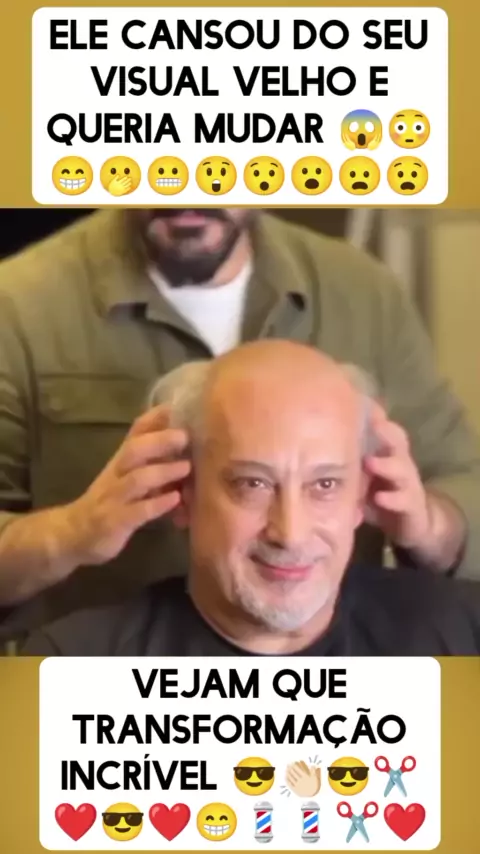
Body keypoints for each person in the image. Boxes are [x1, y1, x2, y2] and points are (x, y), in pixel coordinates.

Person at [1, 208, 480, 643]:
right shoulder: (20, 305)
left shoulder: (363, 292)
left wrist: (431, 526)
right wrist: (72, 531)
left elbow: (461, 480)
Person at [21, 342, 480, 656]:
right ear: (181, 493)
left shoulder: (460, 631)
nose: (291, 533)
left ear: (363, 493)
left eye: (324, 485)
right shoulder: (74, 666)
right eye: (252, 484)